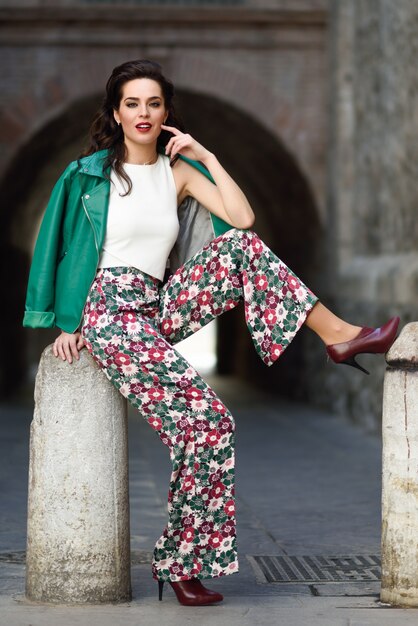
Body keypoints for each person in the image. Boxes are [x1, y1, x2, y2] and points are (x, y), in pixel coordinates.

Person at [23, 59, 399, 606]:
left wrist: (207, 156)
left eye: (154, 103)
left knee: (243, 249)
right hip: (110, 311)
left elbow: (242, 218)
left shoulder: (177, 176)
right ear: (116, 112)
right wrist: (63, 324)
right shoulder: (86, 174)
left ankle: (338, 335)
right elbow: (55, 251)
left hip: (157, 302)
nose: (143, 113)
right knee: (208, 422)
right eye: (132, 103)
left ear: (167, 111)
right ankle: (182, 564)